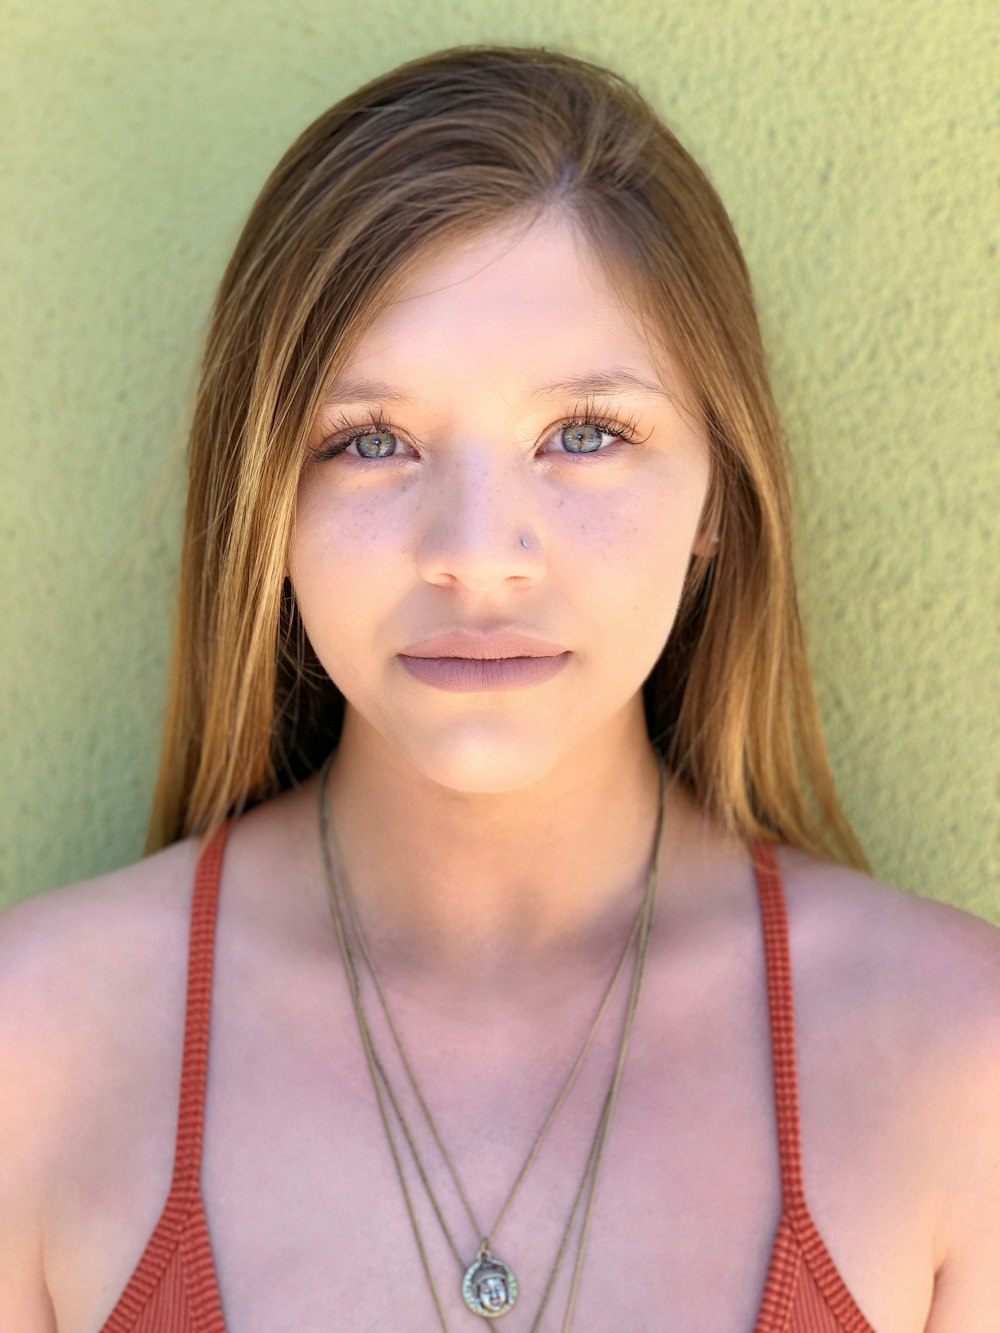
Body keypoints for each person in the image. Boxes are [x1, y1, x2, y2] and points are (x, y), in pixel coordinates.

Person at [1, 43, 997, 1333]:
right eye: (371, 441)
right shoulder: (37, 1048)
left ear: (717, 501)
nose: (476, 552)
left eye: (586, 434)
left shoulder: (955, 1059)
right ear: (264, 504)